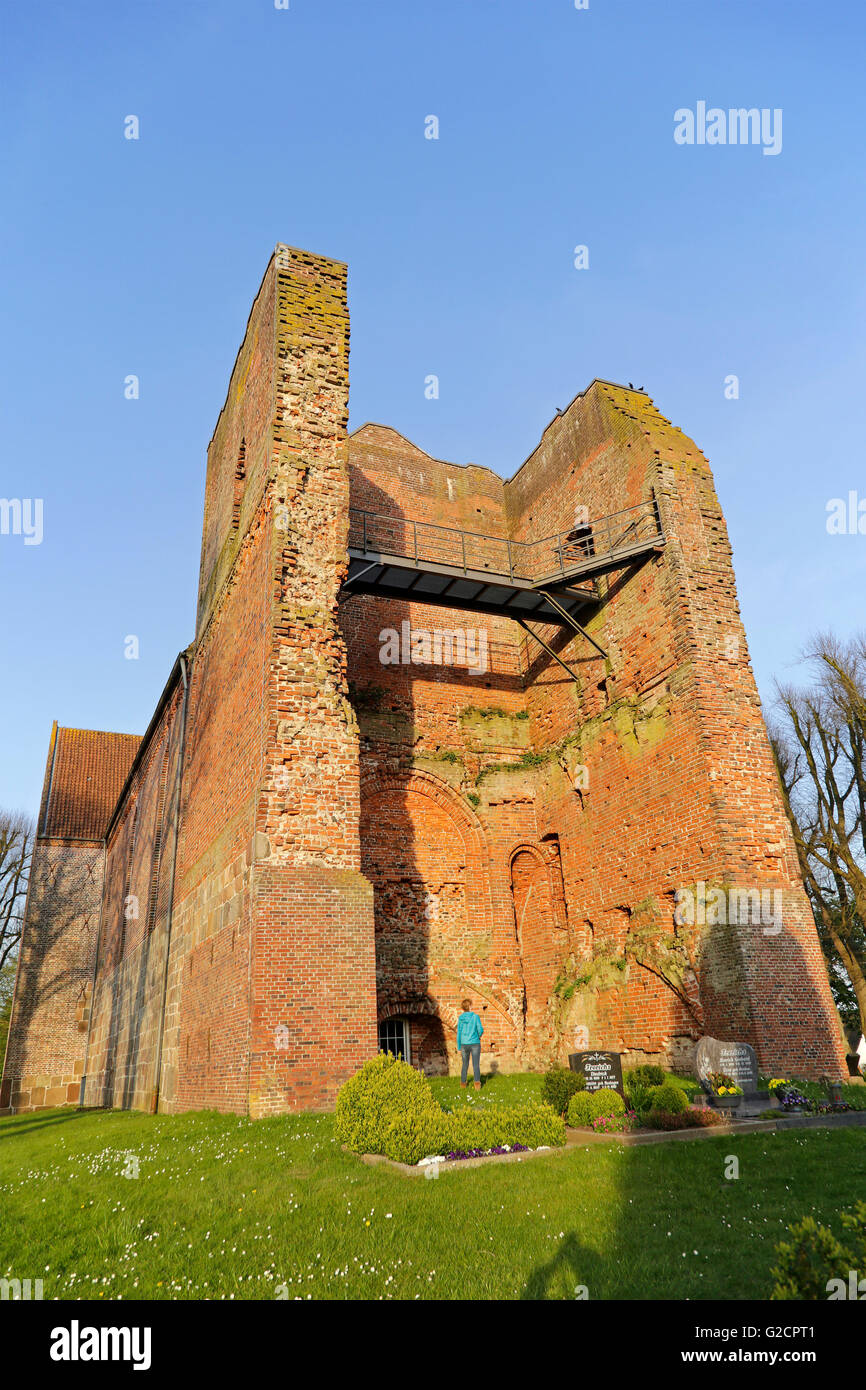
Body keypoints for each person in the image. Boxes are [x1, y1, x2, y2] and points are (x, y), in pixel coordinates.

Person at [457, 998, 484, 1090]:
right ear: (470, 1006)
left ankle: (463, 1084)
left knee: (465, 1064)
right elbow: (480, 1029)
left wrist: (459, 1046)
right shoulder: (475, 1017)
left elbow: (459, 1033)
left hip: (464, 1044)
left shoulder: (460, 1018)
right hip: (475, 1043)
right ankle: (477, 1085)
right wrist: (479, 1035)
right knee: (475, 1064)